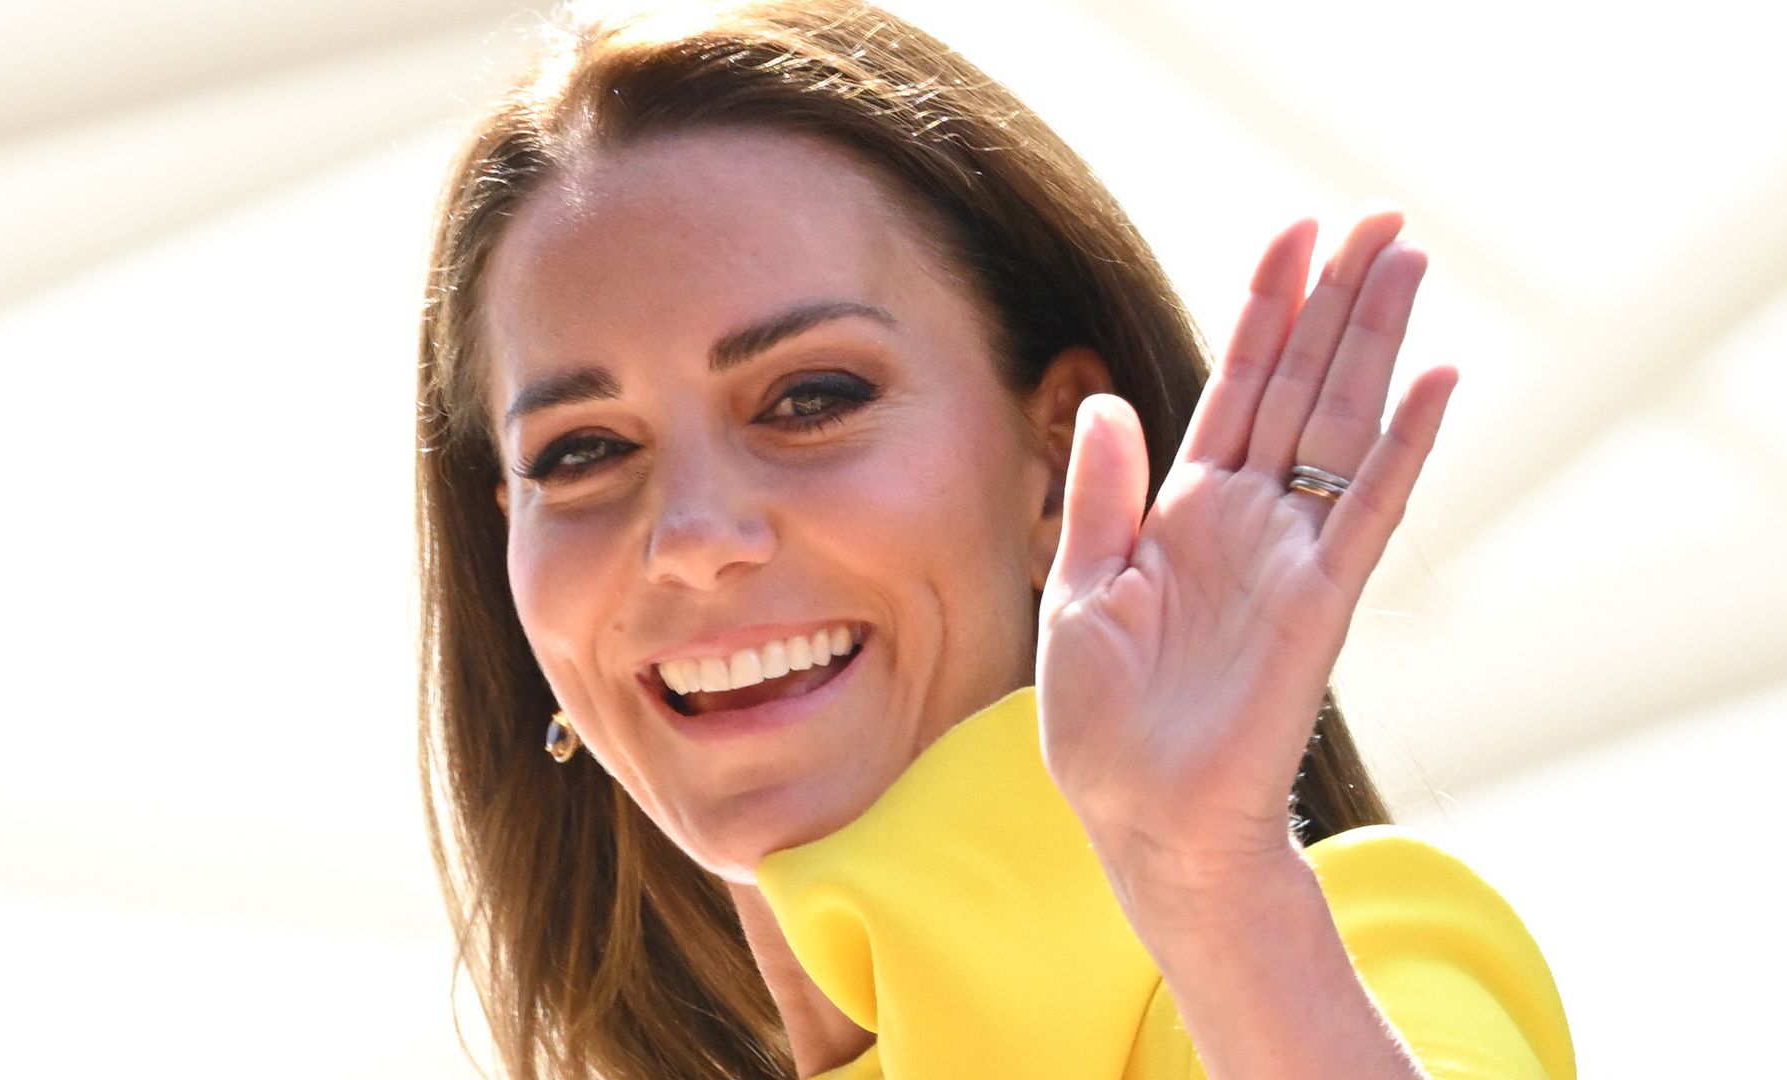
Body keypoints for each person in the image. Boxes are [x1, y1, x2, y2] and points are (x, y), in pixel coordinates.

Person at [415, 2, 1575, 1077]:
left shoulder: (1330, 968)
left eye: (811, 396)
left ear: (1063, 459)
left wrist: (1215, 892)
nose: (691, 540)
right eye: (582, 452)